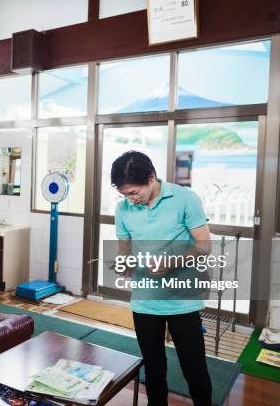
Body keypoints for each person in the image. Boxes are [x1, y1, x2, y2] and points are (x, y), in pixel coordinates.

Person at [111, 151, 213, 406]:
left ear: (151, 178)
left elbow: (204, 246)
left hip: (182, 301)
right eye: (125, 195)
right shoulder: (123, 209)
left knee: (194, 370)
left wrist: (171, 263)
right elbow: (125, 250)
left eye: (135, 193)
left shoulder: (185, 199)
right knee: (154, 369)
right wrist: (124, 264)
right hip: (145, 302)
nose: (131, 200)